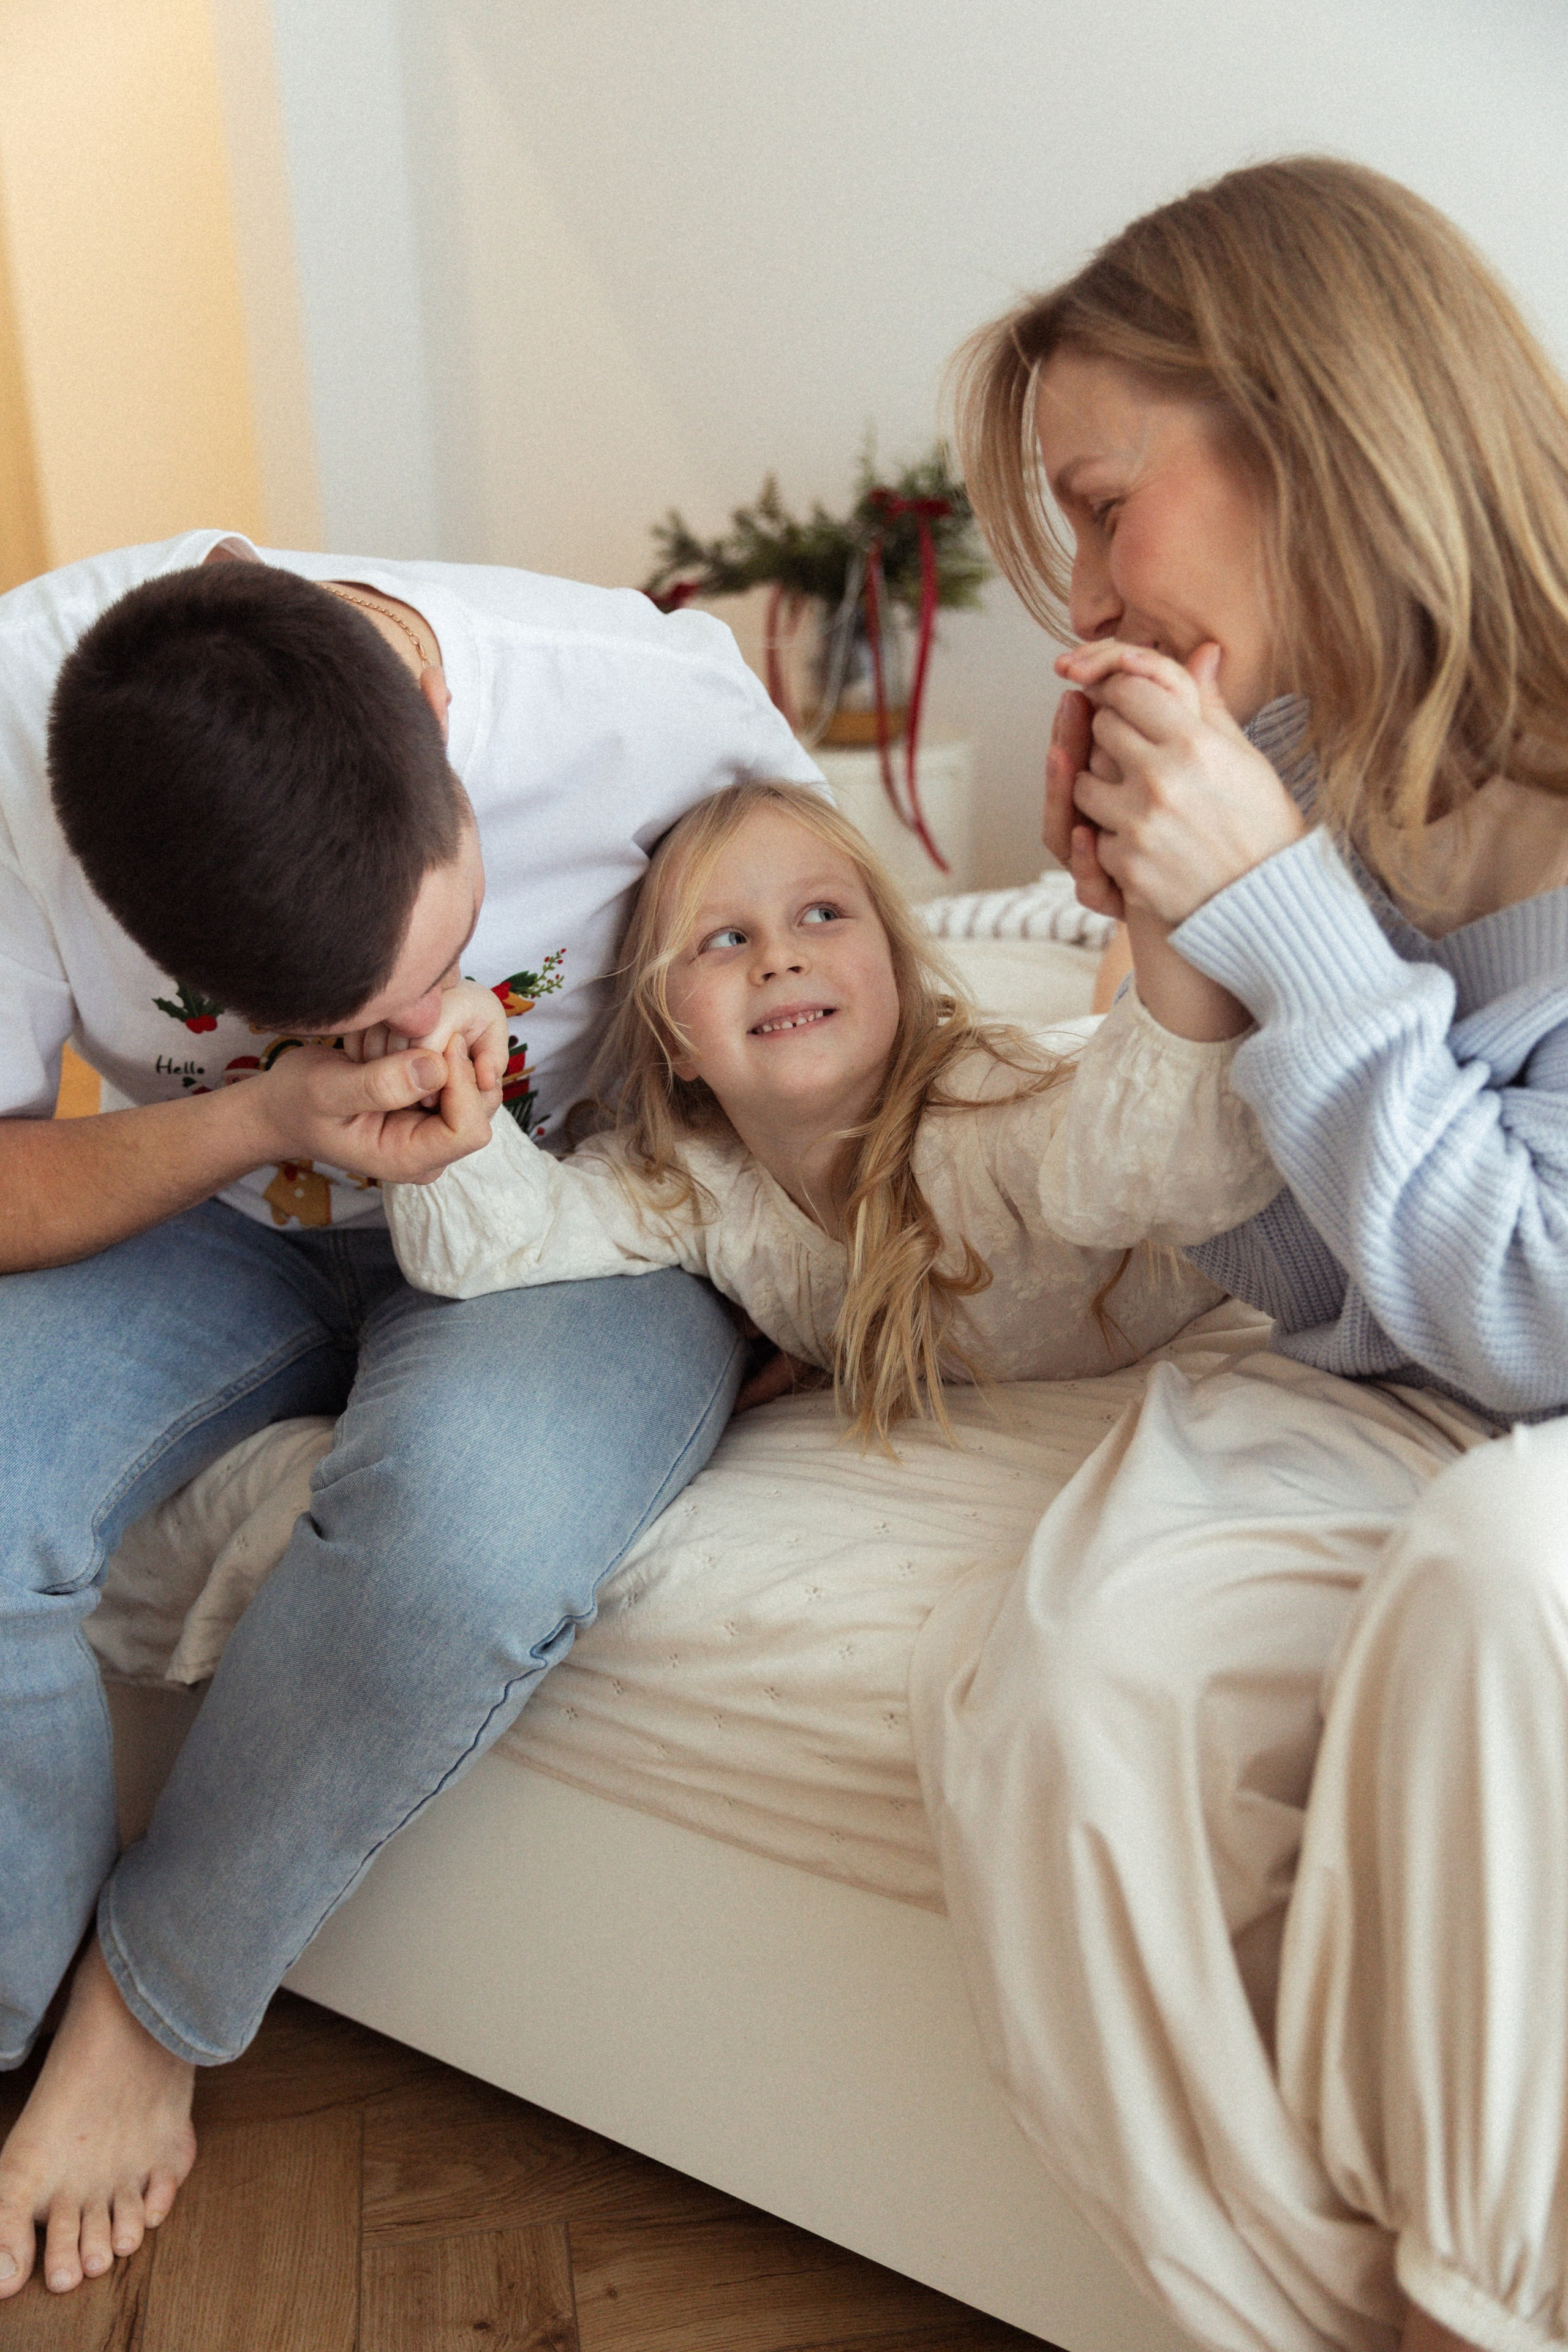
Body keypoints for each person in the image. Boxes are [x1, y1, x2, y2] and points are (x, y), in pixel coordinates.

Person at [0, 533, 826, 2300]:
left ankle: (146, 2008)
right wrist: (258, 1117)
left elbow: (836, 998)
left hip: (580, 1219)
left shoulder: (642, 699)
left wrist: (804, 1265)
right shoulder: (15, 733)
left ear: (442, 731)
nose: (397, 1034)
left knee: (463, 1536)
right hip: (220, 1217)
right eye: (332, 1017)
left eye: (420, 970)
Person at [914, 156, 1568, 2352]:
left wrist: (1281, 913)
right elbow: (1310, 1279)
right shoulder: (1299, 743)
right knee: (1057, 1711)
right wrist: (1186, 954)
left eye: (1105, 505)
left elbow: (1541, 1314)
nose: (1083, 584)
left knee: (1503, 1576)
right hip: (1386, 1398)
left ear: (1310, 429)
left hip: (1533, 1413)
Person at [370, 780, 1278, 1438]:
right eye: (725, 939)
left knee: (1135, 1025)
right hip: (1101, 1079)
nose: (779, 958)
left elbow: (1169, 1156)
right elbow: (497, 1241)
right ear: (676, 1041)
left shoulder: (988, 1116)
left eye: (822, 915)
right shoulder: (700, 1185)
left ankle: (1125, 940)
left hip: (1121, 1095)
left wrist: (1162, 905)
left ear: (895, 969)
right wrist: (432, 1050)